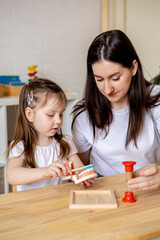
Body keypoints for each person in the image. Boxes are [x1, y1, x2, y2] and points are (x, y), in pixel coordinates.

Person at [72, 30, 160, 191]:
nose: (107, 89)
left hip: (149, 187)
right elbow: (81, 166)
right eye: (99, 79)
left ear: (133, 68)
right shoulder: (84, 114)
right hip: (103, 188)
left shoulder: (156, 99)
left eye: (115, 78)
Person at [6, 78, 94, 191]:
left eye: (61, 114)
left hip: (58, 201)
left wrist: (85, 177)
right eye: (51, 115)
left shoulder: (65, 142)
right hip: (32, 205)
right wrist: (46, 171)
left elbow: (80, 169)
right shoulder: (21, 146)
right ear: (30, 114)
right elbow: (12, 175)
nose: (58, 120)